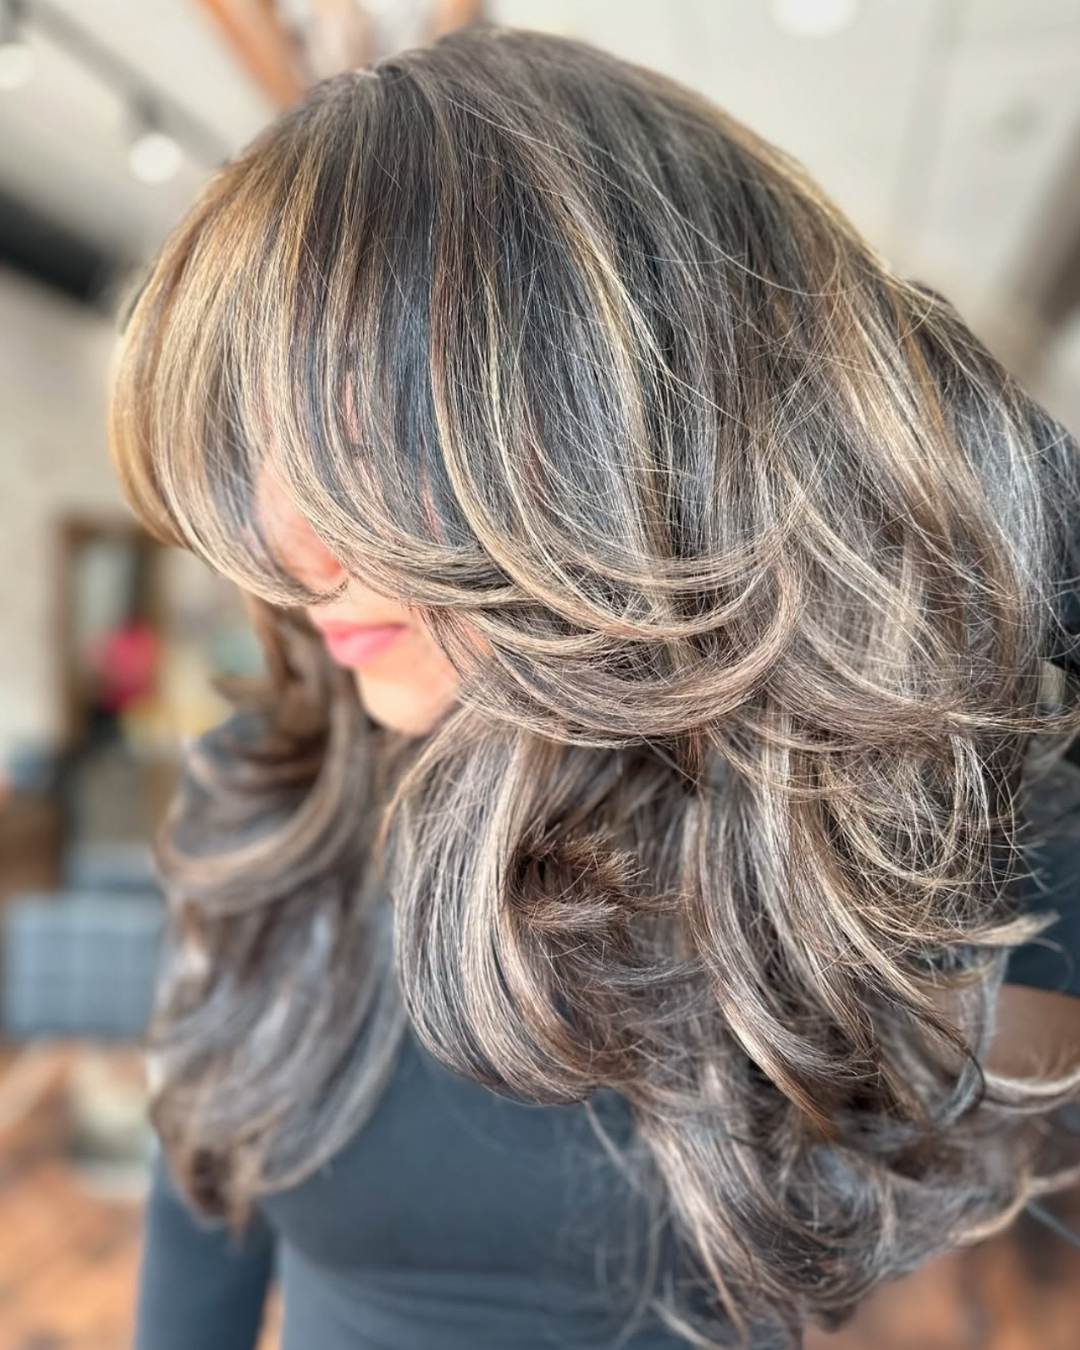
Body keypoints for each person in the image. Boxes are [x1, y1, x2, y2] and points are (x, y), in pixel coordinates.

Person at [108, 25, 1080, 1350]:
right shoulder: (269, 793)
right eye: (258, 444)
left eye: (370, 441)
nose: (291, 550)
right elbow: (198, 1202)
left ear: (606, 446)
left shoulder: (868, 816)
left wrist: (960, 492)